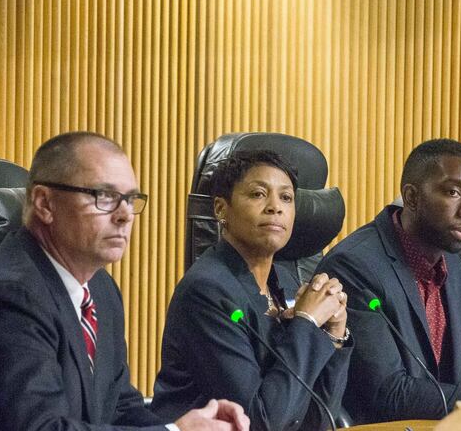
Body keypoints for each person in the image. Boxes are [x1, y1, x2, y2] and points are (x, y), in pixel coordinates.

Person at [0, 131, 250, 431]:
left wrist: (188, 426)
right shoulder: (5, 298)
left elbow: (119, 406)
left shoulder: (101, 290)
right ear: (44, 203)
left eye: (130, 199)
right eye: (104, 196)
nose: (125, 215)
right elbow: (41, 428)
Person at [150, 150, 352, 431]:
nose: (275, 207)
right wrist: (306, 324)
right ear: (221, 209)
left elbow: (320, 418)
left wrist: (333, 333)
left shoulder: (283, 284)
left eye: (286, 198)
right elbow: (258, 421)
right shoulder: (207, 292)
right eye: (258, 194)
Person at [315, 139, 461, 423]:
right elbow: (389, 393)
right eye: (454, 192)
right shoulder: (355, 266)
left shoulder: (455, 270)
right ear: (411, 198)